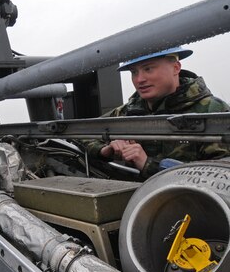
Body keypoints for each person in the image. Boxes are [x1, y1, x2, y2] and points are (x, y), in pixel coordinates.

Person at [86, 47, 230, 178]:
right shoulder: (128, 111)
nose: (139, 79)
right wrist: (104, 150)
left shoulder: (213, 111)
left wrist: (148, 164)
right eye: (134, 72)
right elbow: (81, 134)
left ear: (176, 67)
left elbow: (220, 176)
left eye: (148, 69)